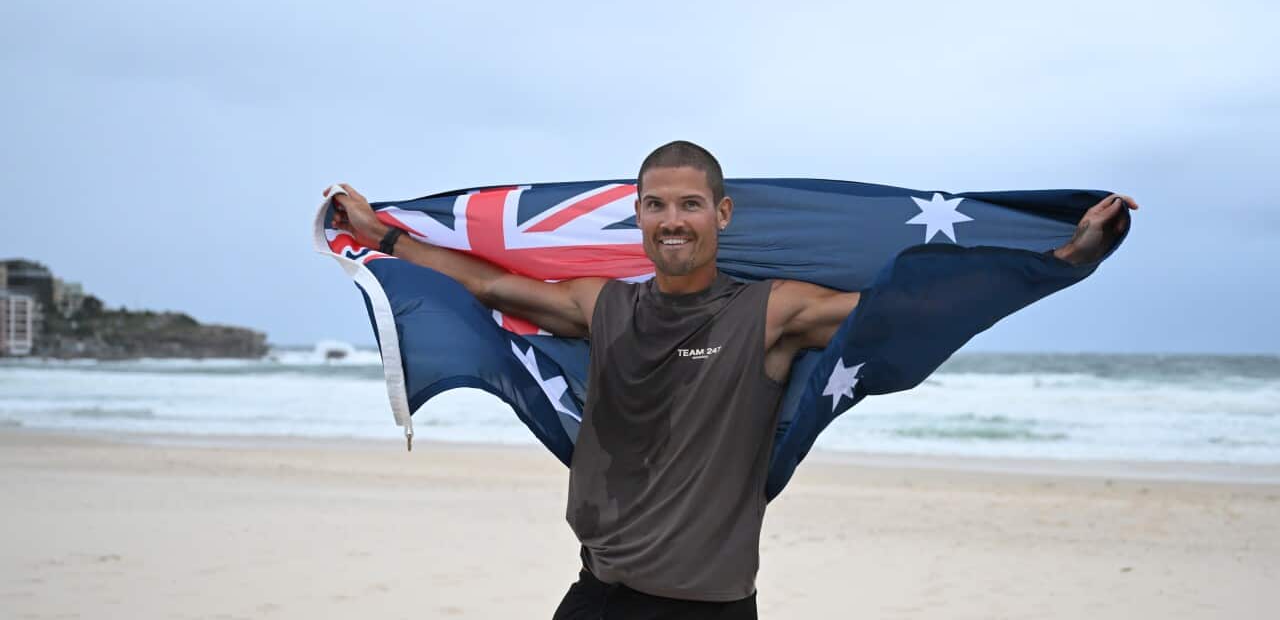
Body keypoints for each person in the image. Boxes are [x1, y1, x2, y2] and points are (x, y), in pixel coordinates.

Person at [327, 141, 1137, 619]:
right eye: (654, 206)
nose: (670, 220)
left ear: (722, 215)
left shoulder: (773, 314)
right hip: (596, 593)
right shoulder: (602, 304)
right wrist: (386, 241)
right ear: (636, 217)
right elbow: (490, 287)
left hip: (705, 608)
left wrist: (1065, 261)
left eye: (687, 204)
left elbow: (907, 309)